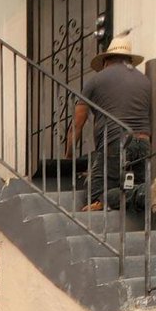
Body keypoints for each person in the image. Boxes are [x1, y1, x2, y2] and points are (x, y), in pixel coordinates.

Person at [65, 34, 151, 212]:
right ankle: (147, 192)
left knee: (96, 194)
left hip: (116, 142)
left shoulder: (96, 80)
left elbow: (77, 124)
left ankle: (138, 194)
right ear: (128, 59)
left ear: (106, 60)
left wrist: (68, 159)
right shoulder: (145, 80)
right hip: (143, 142)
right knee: (134, 188)